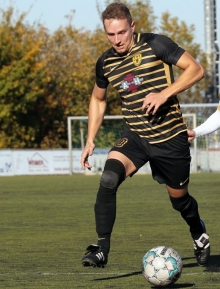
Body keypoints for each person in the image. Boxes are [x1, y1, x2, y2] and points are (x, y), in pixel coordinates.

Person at [80, 2, 210, 268]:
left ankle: (197, 229)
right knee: (108, 179)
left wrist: (164, 94)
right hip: (137, 136)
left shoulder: (156, 44)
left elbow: (196, 69)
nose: (116, 40)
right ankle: (101, 248)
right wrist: (90, 138)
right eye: (110, 34)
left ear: (132, 27)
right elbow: (98, 98)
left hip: (170, 138)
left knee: (180, 201)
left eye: (122, 33)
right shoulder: (105, 62)